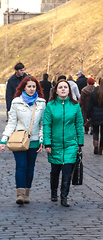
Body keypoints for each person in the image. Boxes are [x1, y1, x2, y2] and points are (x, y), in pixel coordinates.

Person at [0, 75, 46, 205]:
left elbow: (43, 124)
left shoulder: (41, 103)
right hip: (19, 139)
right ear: (24, 87)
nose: (31, 89)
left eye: (33, 86)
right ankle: (20, 194)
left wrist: (42, 139)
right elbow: (11, 123)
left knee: (30, 167)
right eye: (29, 86)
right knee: (21, 166)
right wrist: (4, 139)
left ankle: (27, 194)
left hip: (35, 140)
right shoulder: (16, 102)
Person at [43, 79, 84, 207]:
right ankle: (54, 192)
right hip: (55, 144)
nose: (63, 89)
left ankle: (64, 197)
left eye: (65, 87)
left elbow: (79, 125)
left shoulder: (75, 105)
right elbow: (46, 125)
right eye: (60, 87)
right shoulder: (50, 106)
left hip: (70, 144)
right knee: (55, 171)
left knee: (67, 171)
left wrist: (80, 142)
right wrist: (47, 143)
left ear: (69, 90)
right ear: (56, 90)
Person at [87, 77, 103, 155]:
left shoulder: (94, 92)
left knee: (95, 131)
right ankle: (101, 148)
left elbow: (90, 105)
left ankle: (96, 145)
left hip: (95, 114)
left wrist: (88, 115)